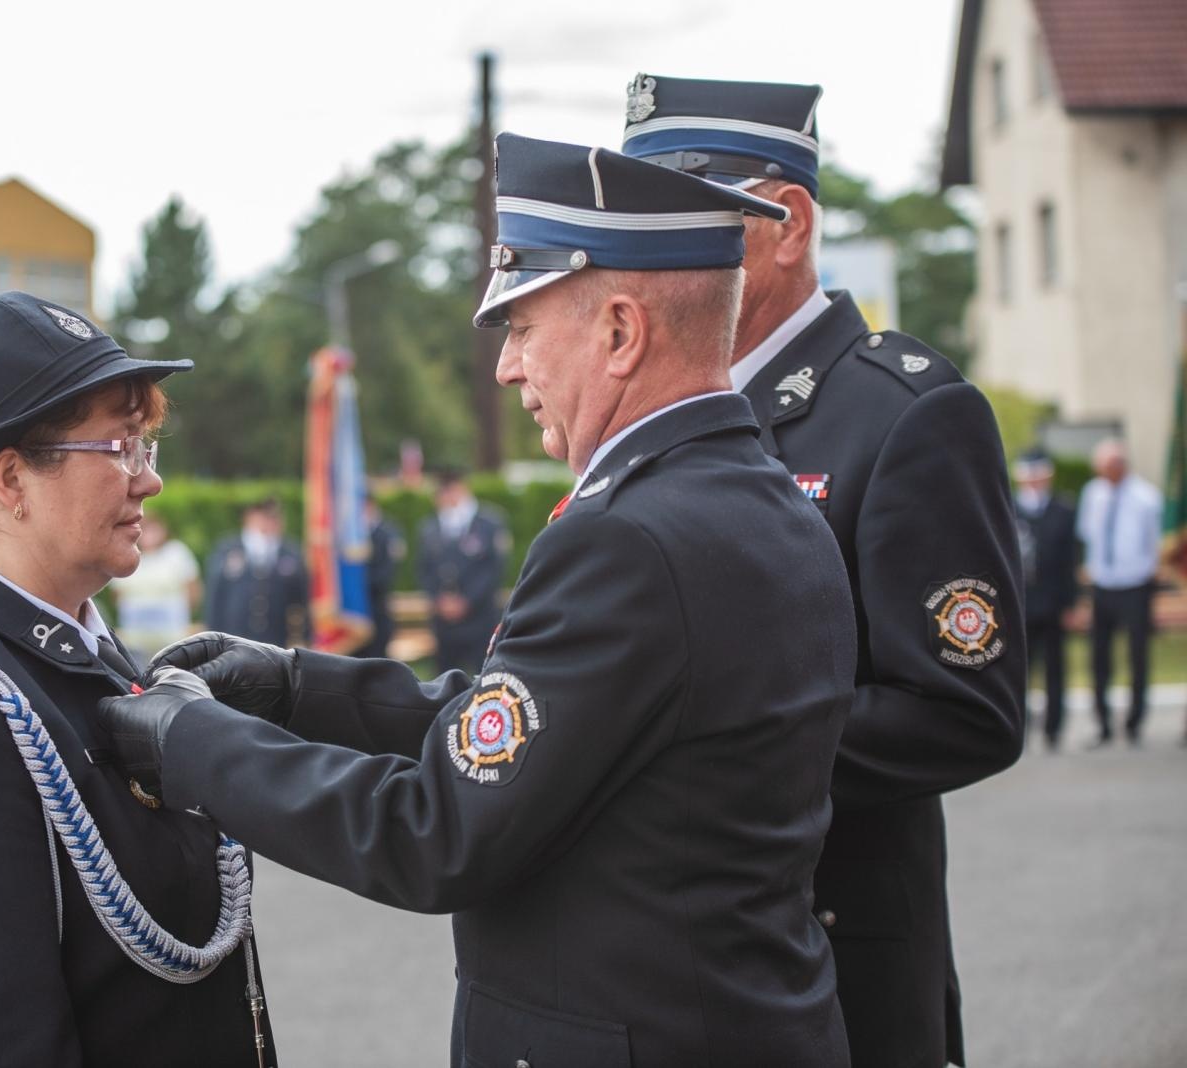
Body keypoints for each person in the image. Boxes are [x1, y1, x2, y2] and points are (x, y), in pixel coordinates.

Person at [108, 135, 854, 1066]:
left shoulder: (627, 536)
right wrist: (300, 687)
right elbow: (551, 728)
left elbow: (437, 831)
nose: (507, 368)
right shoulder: (765, 501)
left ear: (621, 332)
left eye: (526, 329)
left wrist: (194, 744)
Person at [621, 74, 1026, 1068]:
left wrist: (701, 745)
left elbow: (963, 710)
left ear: (787, 224)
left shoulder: (901, 413)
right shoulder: (655, 420)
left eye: (676, 216)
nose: (644, 250)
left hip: (842, 967)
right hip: (681, 973)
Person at [0, 291, 274, 1066]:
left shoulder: (91, 659)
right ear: (12, 481)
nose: (147, 481)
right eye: (119, 448)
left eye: (146, 447)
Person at [1076, 438, 1162, 746]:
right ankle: (1103, 723)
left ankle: (1135, 720)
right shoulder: (1093, 494)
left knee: (1137, 655)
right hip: (1102, 585)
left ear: (1121, 466)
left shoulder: (1146, 498)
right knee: (1099, 657)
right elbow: (1088, 537)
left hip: (1135, 585)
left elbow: (1153, 545)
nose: (1103, 473)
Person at [1014, 449, 1079, 749]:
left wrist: (1071, 602)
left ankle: (1054, 728)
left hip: (1053, 603)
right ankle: (1021, 727)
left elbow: (1070, 561)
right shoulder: (1009, 508)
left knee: (1056, 669)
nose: (1034, 480)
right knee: (1021, 671)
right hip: (1021, 605)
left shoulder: (1063, 510)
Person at [416, 471, 509, 673]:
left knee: (481, 676)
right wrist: (439, 600)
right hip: (444, 621)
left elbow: (493, 569)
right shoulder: (430, 527)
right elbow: (424, 569)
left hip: (478, 617)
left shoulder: (489, 523)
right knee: (444, 678)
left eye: (450, 489)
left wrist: (467, 601)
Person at [203, 498, 309, 647]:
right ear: (248, 517)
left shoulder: (290, 552)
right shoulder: (227, 548)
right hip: (234, 636)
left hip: (276, 638)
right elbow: (215, 597)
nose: (268, 522)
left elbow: (302, 599)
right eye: (263, 517)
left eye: (273, 517)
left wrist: (305, 636)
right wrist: (212, 637)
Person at [109, 516, 201, 660]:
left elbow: (192, 588)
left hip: (172, 636)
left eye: (153, 530)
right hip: (136, 638)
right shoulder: (126, 554)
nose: (149, 535)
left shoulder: (176, 553)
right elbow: (117, 594)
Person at [357, 495, 405, 659]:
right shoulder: (350, 533)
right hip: (355, 615)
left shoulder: (387, 533)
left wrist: (358, 585)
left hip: (377, 610)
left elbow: (386, 574)